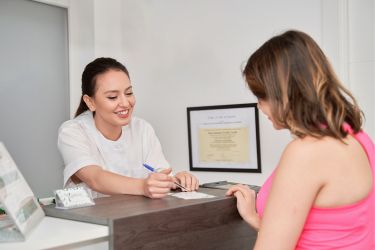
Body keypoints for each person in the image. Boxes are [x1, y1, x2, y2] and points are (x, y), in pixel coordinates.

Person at [226, 30, 374, 249]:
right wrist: (258, 221)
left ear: (283, 93)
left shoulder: (306, 152)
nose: (259, 106)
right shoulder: (358, 137)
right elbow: (330, 234)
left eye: (260, 96)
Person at [58, 57, 199, 199]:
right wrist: (143, 186)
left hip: (135, 216)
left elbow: (161, 173)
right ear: (90, 102)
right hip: (88, 219)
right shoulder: (72, 131)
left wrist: (175, 181)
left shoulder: (142, 129)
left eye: (129, 93)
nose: (125, 103)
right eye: (113, 97)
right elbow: (95, 178)